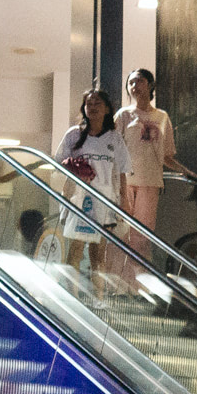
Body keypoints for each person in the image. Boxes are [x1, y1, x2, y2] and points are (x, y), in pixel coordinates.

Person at [55, 86, 131, 284]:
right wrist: (74, 169)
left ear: (107, 109)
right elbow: (59, 162)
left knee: (98, 252)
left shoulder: (114, 138)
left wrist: (124, 202)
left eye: (98, 103)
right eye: (89, 103)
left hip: (104, 199)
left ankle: (99, 299)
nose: (93, 107)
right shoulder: (73, 135)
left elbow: (122, 171)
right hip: (78, 198)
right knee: (76, 250)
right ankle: (71, 295)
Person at [116, 68, 197, 231]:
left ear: (150, 85)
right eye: (130, 82)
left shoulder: (161, 117)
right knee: (120, 231)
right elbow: (115, 150)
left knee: (143, 233)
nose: (134, 86)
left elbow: (166, 155)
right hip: (126, 181)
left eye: (139, 81)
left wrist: (184, 170)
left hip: (150, 182)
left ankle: (138, 258)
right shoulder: (123, 115)